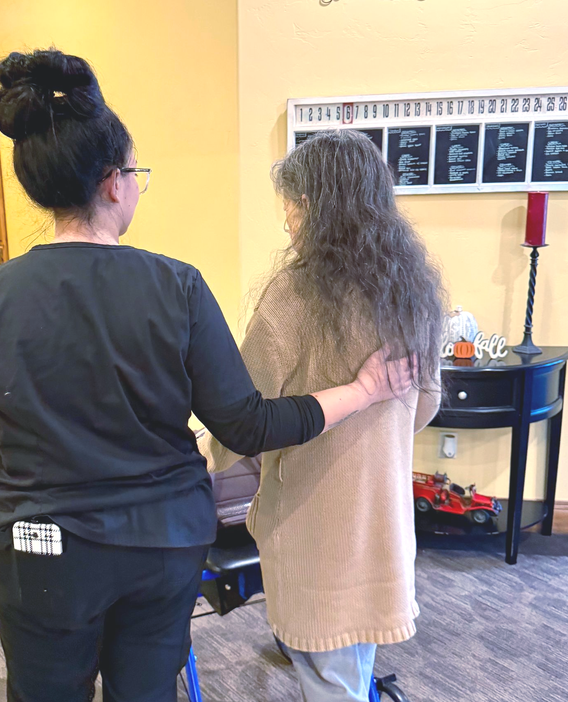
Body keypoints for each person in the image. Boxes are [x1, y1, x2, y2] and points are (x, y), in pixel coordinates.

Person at [0, 51, 416, 702]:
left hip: (40, 545)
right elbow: (247, 423)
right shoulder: (177, 286)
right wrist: (363, 391)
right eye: (136, 173)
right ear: (114, 183)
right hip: (160, 543)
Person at [200, 130, 446, 702]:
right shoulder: (409, 291)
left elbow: (241, 414)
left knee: (330, 675)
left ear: (313, 204)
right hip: (381, 523)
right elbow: (425, 405)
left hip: (316, 528)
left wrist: (202, 458)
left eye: (291, 201)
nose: (286, 218)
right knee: (350, 660)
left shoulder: (295, 295)